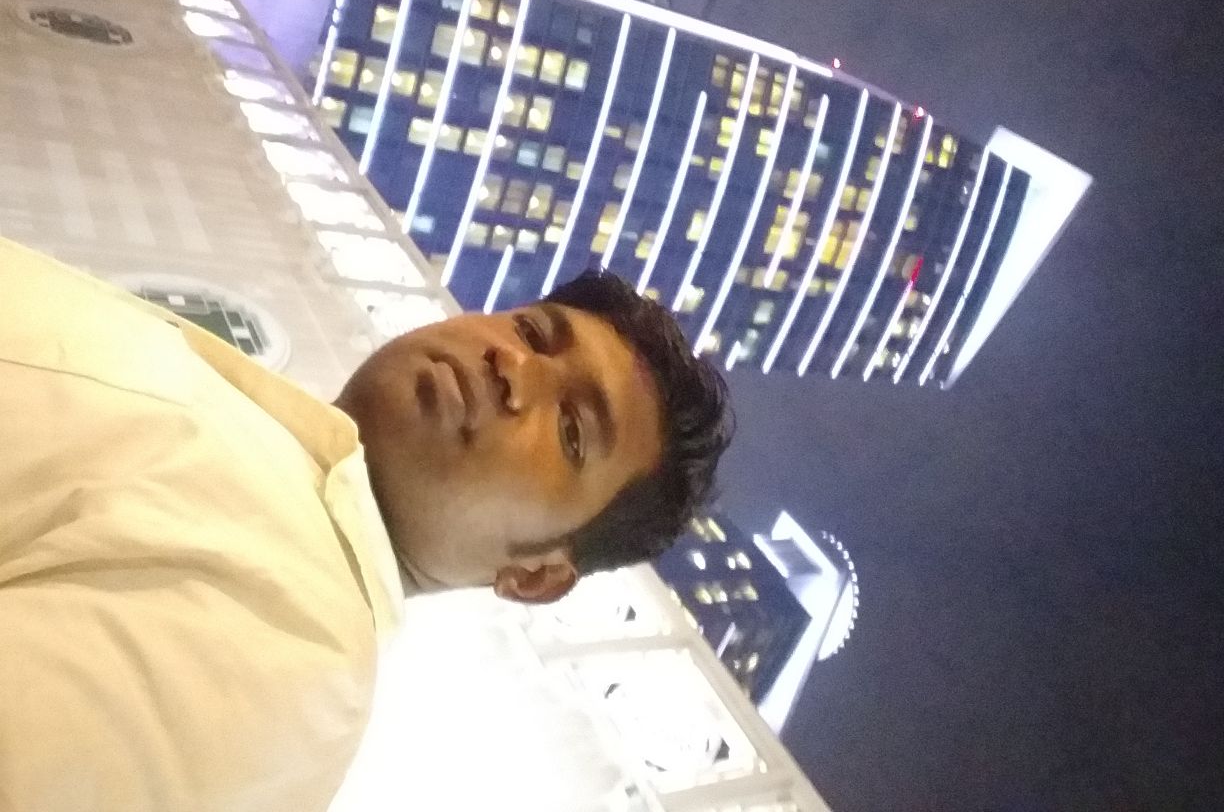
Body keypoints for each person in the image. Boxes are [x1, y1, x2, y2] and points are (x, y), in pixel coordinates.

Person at [0, 237, 732, 811]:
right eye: (533, 331)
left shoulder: (291, 649)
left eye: (572, 430)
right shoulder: (266, 477)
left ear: (536, 576)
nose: (512, 366)